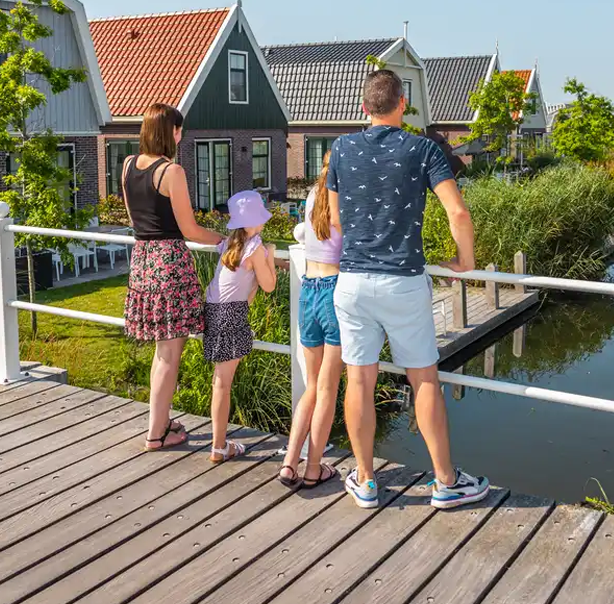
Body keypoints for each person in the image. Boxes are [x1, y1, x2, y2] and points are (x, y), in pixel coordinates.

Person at [327, 69, 489, 509]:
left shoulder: (340, 148)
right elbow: (458, 214)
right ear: (402, 105)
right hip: (402, 282)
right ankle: (445, 482)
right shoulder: (422, 150)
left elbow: (336, 221)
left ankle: (364, 480)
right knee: (423, 382)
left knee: (359, 380)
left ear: (364, 108)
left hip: (352, 282)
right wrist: (466, 263)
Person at [121, 103, 224, 451]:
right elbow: (190, 230)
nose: (181, 135)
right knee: (169, 353)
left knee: (159, 352)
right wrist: (227, 240)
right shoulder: (172, 172)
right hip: (169, 263)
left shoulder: (126, 166)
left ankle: (160, 422)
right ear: (172, 132)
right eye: (179, 130)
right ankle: (155, 434)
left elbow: (137, 217)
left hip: (141, 262)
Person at [278, 150, 343, 489]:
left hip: (309, 289)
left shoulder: (311, 196)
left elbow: (305, 233)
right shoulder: (342, 198)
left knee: (312, 386)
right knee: (327, 389)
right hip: (334, 291)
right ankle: (314, 468)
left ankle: (290, 463)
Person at [203, 190, 278, 463]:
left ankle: (219, 443)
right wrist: (270, 255)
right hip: (232, 314)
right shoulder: (256, 248)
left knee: (219, 381)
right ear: (254, 222)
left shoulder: (228, 245)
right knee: (222, 383)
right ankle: (219, 446)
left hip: (213, 311)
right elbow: (269, 286)